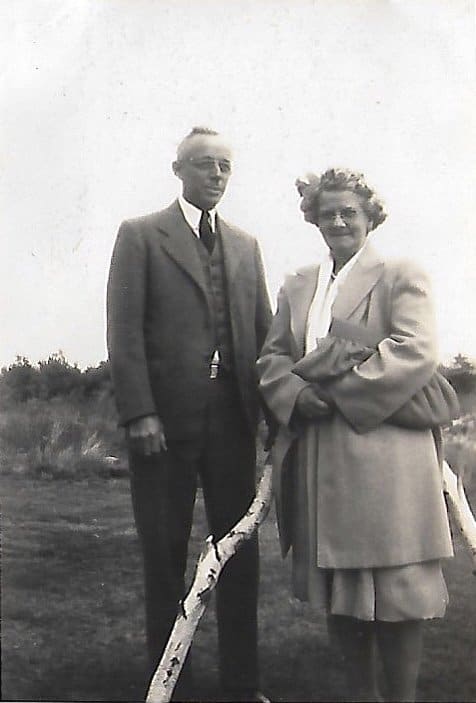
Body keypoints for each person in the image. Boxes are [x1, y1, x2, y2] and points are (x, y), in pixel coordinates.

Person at [257, 168, 454, 702]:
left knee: (397, 591)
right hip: (321, 453)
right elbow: (274, 355)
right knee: (341, 591)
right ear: (314, 220)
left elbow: (414, 349)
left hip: (386, 454)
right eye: (328, 213)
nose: (338, 221)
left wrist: (337, 394)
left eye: (349, 211)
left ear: (370, 217)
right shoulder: (299, 282)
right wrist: (296, 397)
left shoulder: (399, 273)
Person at [107, 127, 272, 702]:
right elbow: (123, 333)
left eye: (226, 166)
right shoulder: (140, 236)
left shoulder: (247, 246)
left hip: (233, 422)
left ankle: (242, 682)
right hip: (162, 427)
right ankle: (169, 682)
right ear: (177, 169)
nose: (217, 176)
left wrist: (274, 416)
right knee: (164, 553)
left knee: (237, 555)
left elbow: (265, 338)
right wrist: (139, 414)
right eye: (206, 165)